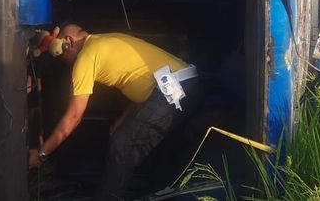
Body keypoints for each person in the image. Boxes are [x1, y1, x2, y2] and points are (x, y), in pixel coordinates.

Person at [27, 24, 203, 201]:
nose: (66, 61)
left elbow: (73, 116)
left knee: (122, 147)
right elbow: (143, 80)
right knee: (153, 151)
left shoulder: (86, 57)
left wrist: (42, 155)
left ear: (68, 42)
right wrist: (126, 117)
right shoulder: (103, 41)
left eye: (63, 57)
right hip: (184, 85)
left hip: (175, 90)